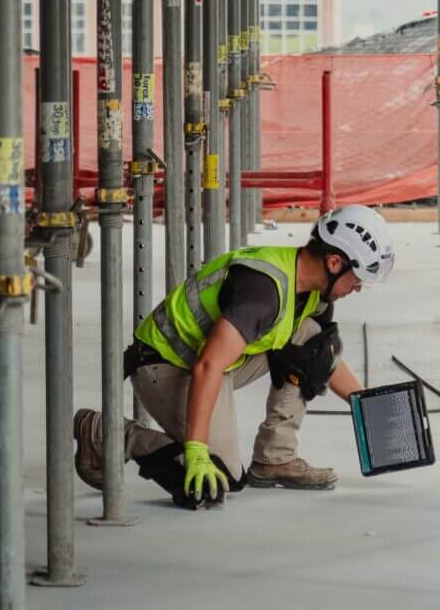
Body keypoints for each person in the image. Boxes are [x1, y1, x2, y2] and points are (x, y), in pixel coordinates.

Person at [73, 205, 395, 509]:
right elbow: (207, 364)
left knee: (313, 340)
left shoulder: (315, 293)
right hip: (166, 365)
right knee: (214, 480)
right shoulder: (262, 290)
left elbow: (322, 358)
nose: (358, 288)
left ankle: (275, 458)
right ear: (335, 262)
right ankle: (106, 430)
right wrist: (197, 451)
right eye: (358, 278)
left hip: (220, 361)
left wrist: (368, 407)